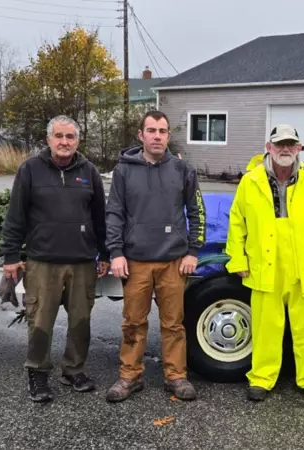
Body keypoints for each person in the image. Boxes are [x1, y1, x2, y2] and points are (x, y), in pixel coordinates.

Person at [225, 124, 304, 402]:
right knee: (266, 326)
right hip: (265, 265)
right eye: (279, 144)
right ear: (269, 147)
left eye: (291, 144)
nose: (285, 149)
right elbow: (237, 223)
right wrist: (237, 258)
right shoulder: (250, 182)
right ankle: (261, 378)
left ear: (299, 148)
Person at [0, 115, 110, 403]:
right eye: (58, 136)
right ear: (48, 139)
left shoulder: (89, 172)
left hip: (82, 261)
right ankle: (38, 372)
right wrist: (10, 255)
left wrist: (105, 253)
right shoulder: (30, 170)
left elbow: (100, 217)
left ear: (77, 141)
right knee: (40, 321)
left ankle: (74, 370)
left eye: (70, 137)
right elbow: (16, 215)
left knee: (80, 321)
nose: (64, 142)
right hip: (42, 262)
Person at [104, 110, 205, 402]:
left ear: (168, 135)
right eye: (151, 130)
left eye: (162, 131)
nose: (157, 136)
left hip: (173, 262)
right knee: (133, 322)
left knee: (173, 324)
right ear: (141, 135)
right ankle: (130, 376)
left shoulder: (183, 170)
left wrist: (193, 251)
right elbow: (114, 213)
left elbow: (197, 211)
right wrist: (116, 252)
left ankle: (176, 376)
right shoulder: (124, 171)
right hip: (135, 261)